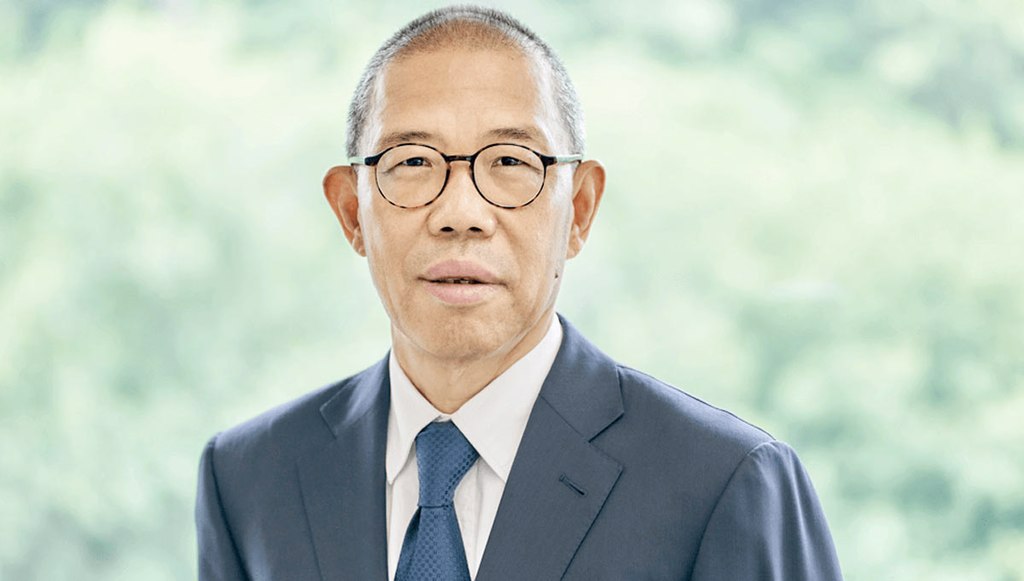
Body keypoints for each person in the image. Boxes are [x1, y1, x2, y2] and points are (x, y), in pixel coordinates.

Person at [195, 5, 843, 581]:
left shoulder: (722, 482)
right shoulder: (249, 478)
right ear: (351, 212)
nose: (460, 213)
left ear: (580, 210)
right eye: (413, 161)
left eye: (510, 161)